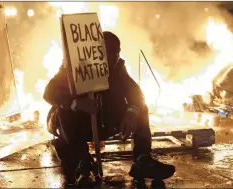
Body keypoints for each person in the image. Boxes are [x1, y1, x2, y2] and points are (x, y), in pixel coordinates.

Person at [44, 31, 175, 187]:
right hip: (73, 128)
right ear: (96, 51)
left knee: (140, 108)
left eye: (117, 51)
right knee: (65, 112)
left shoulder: (118, 68)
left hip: (103, 123)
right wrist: (76, 103)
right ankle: (82, 163)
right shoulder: (74, 67)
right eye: (109, 51)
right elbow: (49, 92)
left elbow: (136, 92)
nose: (114, 56)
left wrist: (132, 111)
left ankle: (142, 159)